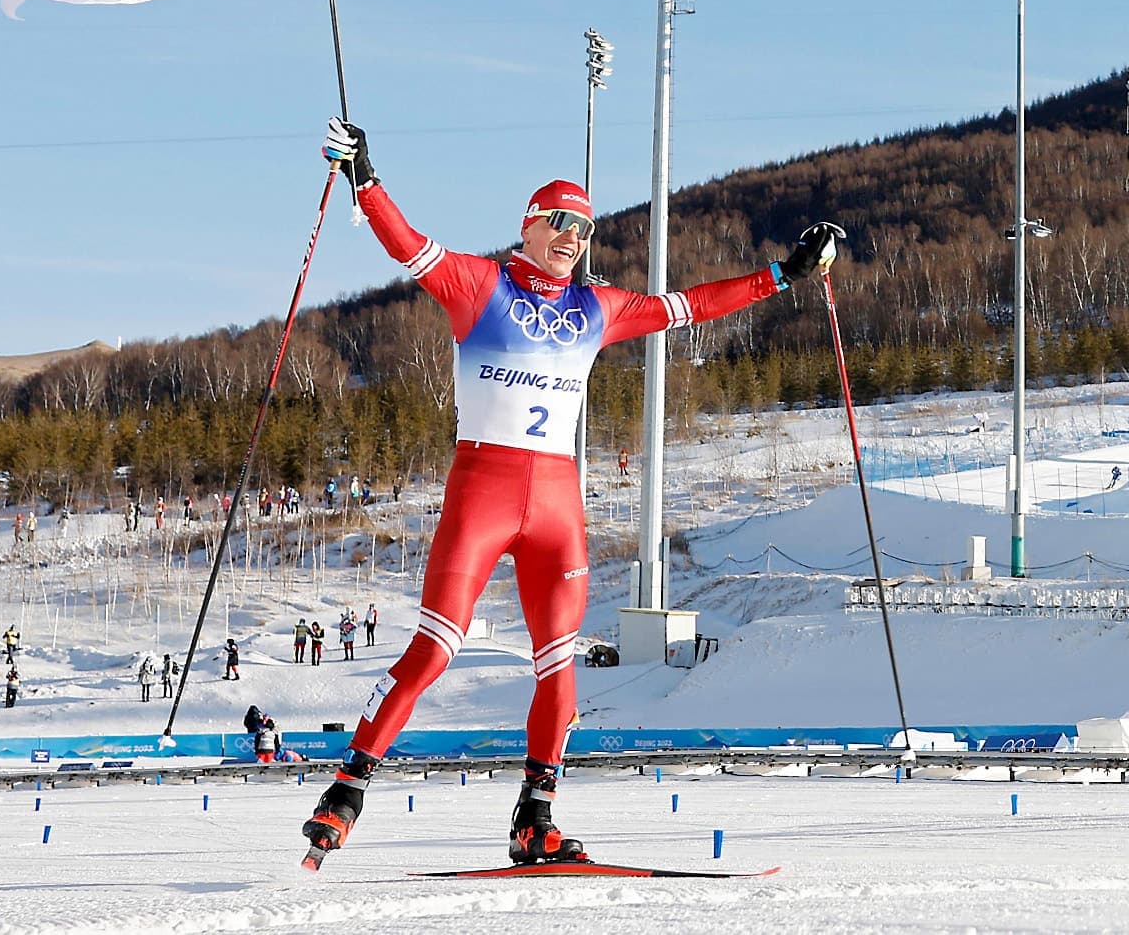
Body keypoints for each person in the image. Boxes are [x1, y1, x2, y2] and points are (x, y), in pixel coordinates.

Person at [301, 116, 836, 866]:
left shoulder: (597, 308)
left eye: (583, 228)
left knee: (559, 663)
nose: (572, 237)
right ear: (527, 224)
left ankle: (536, 816)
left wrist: (782, 275)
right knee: (435, 649)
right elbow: (407, 244)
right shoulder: (480, 285)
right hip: (483, 491)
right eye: (559, 221)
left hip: (557, 505)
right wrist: (365, 178)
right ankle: (347, 789)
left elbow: (691, 305)